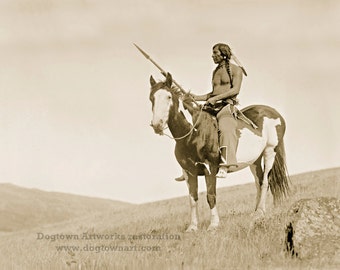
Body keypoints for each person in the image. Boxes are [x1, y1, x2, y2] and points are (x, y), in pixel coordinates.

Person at [175, 43, 246, 180]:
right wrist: (196, 97)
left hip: (226, 107)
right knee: (194, 128)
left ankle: (225, 165)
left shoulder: (236, 70)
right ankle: (189, 165)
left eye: (215, 53)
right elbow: (213, 94)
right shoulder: (215, 71)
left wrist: (216, 99)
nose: (212, 56)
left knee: (226, 128)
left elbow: (235, 90)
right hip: (212, 107)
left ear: (223, 54)